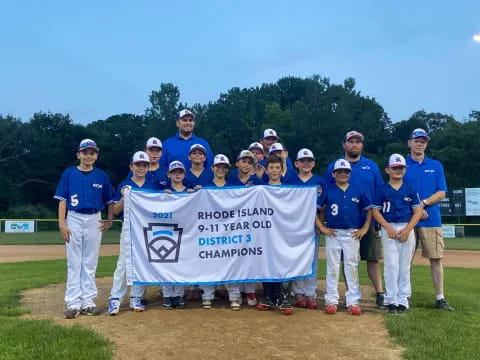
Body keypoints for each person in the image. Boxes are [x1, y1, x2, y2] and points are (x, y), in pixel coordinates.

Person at [54, 139, 115, 319]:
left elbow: (109, 201)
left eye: (92, 153)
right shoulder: (69, 173)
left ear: (96, 155)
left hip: (94, 218)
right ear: (78, 154)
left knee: (90, 261)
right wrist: (62, 223)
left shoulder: (101, 175)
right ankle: (73, 303)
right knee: (74, 261)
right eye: (85, 152)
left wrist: (110, 220)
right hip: (73, 217)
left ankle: (88, 302)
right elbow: (62, 200)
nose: (89, 156)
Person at [325, 131, 385, 307]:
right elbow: (329, 194)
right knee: (346, 261)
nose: (354, 144)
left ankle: (380, 293)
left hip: (368, 219)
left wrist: (377, 218)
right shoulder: (334, 166)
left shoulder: (371, 166)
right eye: (351, 141)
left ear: (362, 145)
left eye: (358, 142)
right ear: (344, 144)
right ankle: (348, 296)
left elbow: (380, 192)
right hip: (342, 223)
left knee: (372, 257)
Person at [404, 128, 454, 311]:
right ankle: (404, 295)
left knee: (436, 258)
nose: (419, 143)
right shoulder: (402, 165)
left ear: (426, 144)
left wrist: (423, 204)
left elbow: (441, 192)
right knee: (405, 259)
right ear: (409, 143)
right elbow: (397, 189)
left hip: (431, 219)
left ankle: (440, 298)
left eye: (423, 141)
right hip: (408, 219)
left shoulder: (435, 165)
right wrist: (415, 208)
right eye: (416, 140)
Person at [107, 151, 160, 315]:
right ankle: (115, 298)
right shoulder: (125, 184)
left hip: (147, 228)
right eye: (138, 165)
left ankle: (135, 297)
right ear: (131, 166)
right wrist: (124, 197)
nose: (141, 168)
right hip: (129, 227)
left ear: (148, 167)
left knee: (142, 262)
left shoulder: (152, 185)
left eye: (144, 165)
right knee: (123, 262)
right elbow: (115, 210)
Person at [316, 159, 372, 315]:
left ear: (349, 174)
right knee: (332, 266)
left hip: (352, 233)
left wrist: (365, 227)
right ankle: (331, 299)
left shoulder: (357, 189)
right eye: (339, 171)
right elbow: (317, 209)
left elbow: (369, 209)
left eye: (345, 172)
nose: (342, 174)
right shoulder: (329, 190)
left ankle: (353, 300)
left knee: (351, 266)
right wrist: (322, 227)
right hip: (333, 232)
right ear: (333, 174)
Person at [371, 154, 422, 315]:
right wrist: (387, 228)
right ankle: (391, 299)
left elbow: (418, 211)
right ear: (388, 170)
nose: (398, 170)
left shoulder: (410, 188)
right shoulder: (381, 189)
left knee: (404, 266)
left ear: (405, 170)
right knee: (391, 265)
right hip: (389, 227)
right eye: (394, 168)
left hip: (407, 227)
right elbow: (375, 211)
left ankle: (403, 299)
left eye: (400, 168)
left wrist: (407, 230)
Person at [200, 154, 243, 310]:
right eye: (218, 166)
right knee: (209, 262)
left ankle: (234, 295)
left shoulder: (233, 186)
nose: (220, 169)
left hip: (230, 232)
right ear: (212, 167)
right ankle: (207, 295)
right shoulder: (205, 187)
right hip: (210, 231)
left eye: (224, 167)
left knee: (232, 263)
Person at [256, 155, 294, 315]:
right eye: (271, 168)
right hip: (266, 233)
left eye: (277, 167)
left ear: (282, 169)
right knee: (267, 262)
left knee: (284, 262)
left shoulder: (289, 190)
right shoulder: (260, 190)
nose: (274, 171)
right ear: (266, 169)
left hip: (283, 232)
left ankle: (284, 297)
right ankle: (270, 297)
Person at [226, 150, 263, 305]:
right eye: (243, 161)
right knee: (234, 257)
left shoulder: (259, 182)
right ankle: (234, 292)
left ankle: (250, 291)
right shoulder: (231, 181)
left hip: (253, 226)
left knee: (251, 257)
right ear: (237, 163)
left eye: (249, 162)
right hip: (234, 226)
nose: (246, 165)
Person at [290, 148, 326, 309]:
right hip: (295, 226)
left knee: (311, 260)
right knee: (297, 258)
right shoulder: (291, 180)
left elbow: (324, 206)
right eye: (303, 161)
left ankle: (310, 293)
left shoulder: (320, 181)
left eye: (309, 161)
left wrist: (321, 224)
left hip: (313, 226)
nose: (306, 164)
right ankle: (298, 292)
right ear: (297, 163)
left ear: (313, 163)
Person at [161, 160, 194, 309]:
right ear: (169, 174)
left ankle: (179, 294)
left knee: (181, 264)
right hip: (168, 231)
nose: (177, 174)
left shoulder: (190, 192)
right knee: (165, 262)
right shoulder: (163, 192)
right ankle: (167, 294)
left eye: (180, 172)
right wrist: (162, 196)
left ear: (184, 174)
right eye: (174, 172)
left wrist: (195, 195)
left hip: (185, 232)